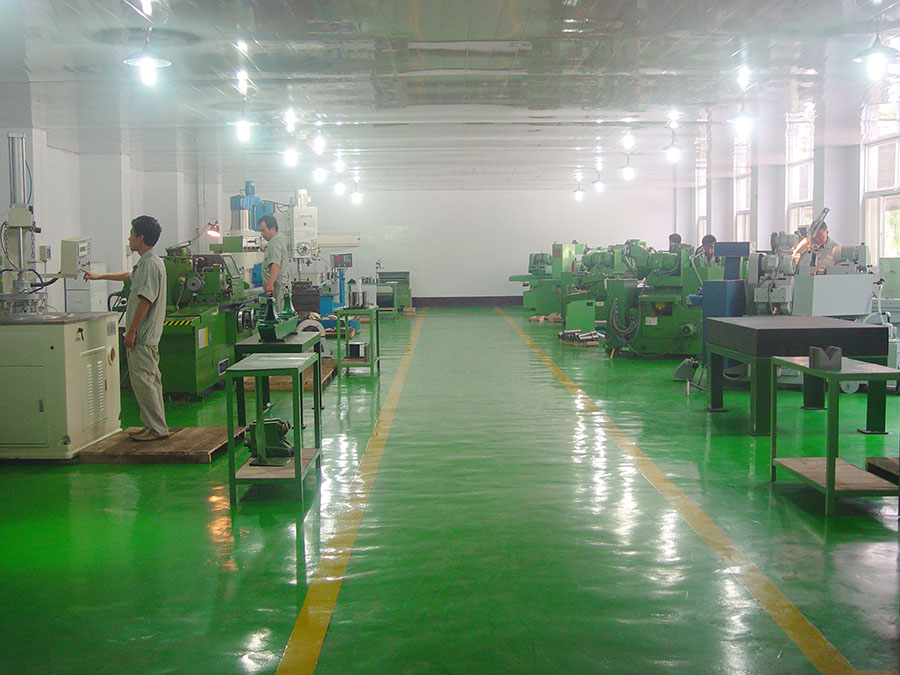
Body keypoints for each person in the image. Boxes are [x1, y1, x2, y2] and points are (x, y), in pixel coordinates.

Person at [83, 216, 169, 441]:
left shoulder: (150, 264)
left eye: (131, 234)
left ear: (140, 237)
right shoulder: (148, 262)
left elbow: (145, 301)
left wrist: (131, 332)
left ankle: (157, 429)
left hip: (142, 336)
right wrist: (99, 276)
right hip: (145, 335)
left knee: (144, 382)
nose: (129, 238)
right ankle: (153, 425)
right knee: (149, 382)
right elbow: (129, 275)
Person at [258, 215, 295, 303]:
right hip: (282, 285)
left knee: (278, 310)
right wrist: (266, 249)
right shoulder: (278, 240)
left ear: (272, 229)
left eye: (264, 230)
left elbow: (275, 265)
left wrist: (270, 284)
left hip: (277, 287)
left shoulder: (274, 243)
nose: (261, 233)